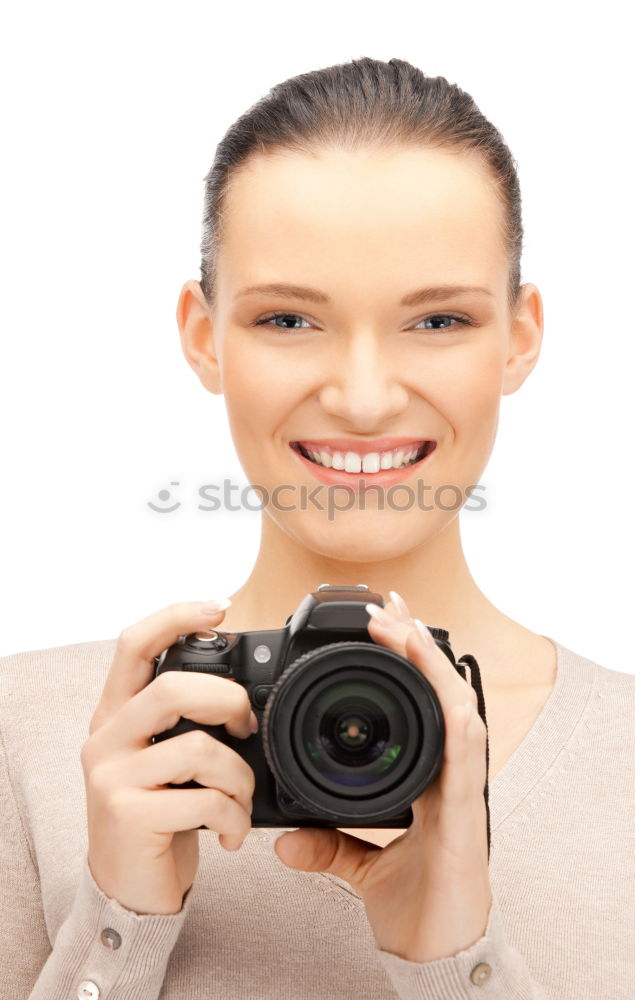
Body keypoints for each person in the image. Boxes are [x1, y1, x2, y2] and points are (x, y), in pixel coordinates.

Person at [0, 56, 632, 1000]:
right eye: (290, 319)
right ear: (205, 336)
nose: (365, 398)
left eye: (439, 320)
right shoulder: (30, 736)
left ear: (519, 337)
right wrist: (116, 928)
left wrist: (454, 962)